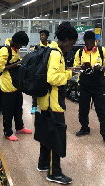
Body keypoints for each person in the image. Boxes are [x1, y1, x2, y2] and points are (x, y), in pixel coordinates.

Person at [36, 22, 78, 184]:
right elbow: (52, 78)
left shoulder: (49, 50)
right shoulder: (56, 54)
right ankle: (54, 173)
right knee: (56, 137)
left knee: (46, 133)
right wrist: (68, 74)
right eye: (72, 43)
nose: (71, 47)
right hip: (53, 103)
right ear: (66, 39)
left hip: (45, 101)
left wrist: (67, 70)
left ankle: (43, 163)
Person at [0, 31, 32, 141]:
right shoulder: (5, 49)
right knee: (8, 111)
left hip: (16, 84)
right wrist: (16, 64)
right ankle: (7, 132)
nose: (21, 47)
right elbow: (0, 68)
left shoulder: (14, 49)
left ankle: (19, 127)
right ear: (16, 41)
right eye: (21, 45)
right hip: (7, 86)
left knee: (18, 108)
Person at [73, 31, 105, 141]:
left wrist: (100, 68)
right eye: (86, 43)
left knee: (102, 110)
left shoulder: (102, 51)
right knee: (83, 109)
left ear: (94, 41)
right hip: (84, 85)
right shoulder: (80, 52)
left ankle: (104, 133)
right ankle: (85, 128)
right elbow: (75, 68)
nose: (89, 45)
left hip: (99, 86)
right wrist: (81, 67)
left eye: (91, 42)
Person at [31, 30, 50, 114]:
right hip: (38, 71)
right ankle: (34, 106)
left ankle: (46, 105)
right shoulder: (37, 47)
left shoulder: (51, 47)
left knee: (47, 89)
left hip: (47, 71)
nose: (41, 36)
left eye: (43, 35)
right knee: (35, 89)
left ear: (47, 37)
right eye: (40, 35)